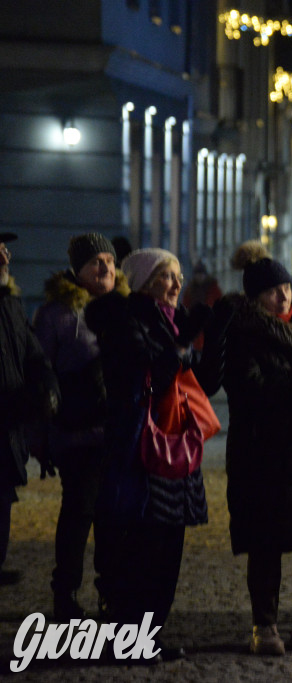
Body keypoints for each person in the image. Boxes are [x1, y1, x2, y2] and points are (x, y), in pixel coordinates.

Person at [199, 241, 292, 656]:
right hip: (263, 451)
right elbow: (249, 387)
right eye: (271, 290)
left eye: (284, 286)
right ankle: (264, 627)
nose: (281, 295)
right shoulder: (244, 332)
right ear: (255, 297)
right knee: (266, 542)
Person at [85, 247, 212, 661]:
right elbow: (145, 369)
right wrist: (178, 348)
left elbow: (202, 378)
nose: (176, 285)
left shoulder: (169, 321)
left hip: (174, 445)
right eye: (165, 277)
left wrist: (202, 338)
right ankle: (130, 639)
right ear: (143, 282)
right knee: (143, 547)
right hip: (142, 446)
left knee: (168, 547)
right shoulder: (130, 317)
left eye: (177, 276)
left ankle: (151, 635)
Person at [33, 233, 127, 620]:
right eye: (95, 263)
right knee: (78, 514)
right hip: (78, 434)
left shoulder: (125, 307)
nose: (104, 268)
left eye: (109, 260)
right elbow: (41, 374)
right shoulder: (56, 314)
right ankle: (66, 594)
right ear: (77, 269)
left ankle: (110, 592)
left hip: (118, 432)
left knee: (112, 517)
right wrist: (43, 437)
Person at [0, 232, 59, 587]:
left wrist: (47, 388)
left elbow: (34, 355)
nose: (5, 259)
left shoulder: (9, 305)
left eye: (4, 251)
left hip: (7, 434)